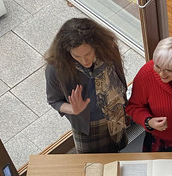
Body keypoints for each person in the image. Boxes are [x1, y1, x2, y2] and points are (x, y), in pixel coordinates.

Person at [45, 18, 129, 153]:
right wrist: (73, 109)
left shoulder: (109, 48)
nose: (85, 60)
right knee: (93, 164)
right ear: (67, 52)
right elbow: (53, 100)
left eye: (88, 53)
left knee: (117, 153)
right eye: (76, 56)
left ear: (97, 45)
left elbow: (120, 77)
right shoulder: (56, 68)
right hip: (88, 127)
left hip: (115, 114)